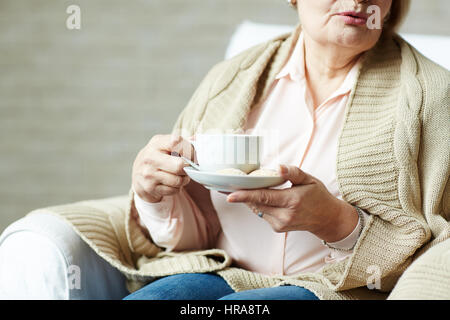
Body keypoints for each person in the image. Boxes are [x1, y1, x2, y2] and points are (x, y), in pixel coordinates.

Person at [1, 0, 448, 300]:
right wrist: (155, 196)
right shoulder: (234, 79)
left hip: (331, 291)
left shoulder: (430, 95)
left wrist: (337, 223)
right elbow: (197, 233)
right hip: (219, 274)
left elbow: (437, 247)